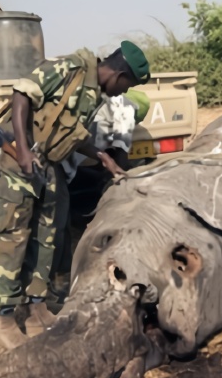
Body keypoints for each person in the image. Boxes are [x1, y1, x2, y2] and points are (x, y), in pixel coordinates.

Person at [0, 41, 150, 349]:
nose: (123, 93)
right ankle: (5, 318)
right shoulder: (69, 69)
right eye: (127, 85)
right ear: (119, 74)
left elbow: (71, 133)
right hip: (19, 164)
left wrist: (103, 157)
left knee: (47, 236)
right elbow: (22, 95)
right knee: (11, 237)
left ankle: (37, 308)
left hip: (47, 166)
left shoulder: (92, 93)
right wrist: (21, 149)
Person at [49, 90, 151, 296]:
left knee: (57, 221)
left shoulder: (108, 102)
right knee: (57, 223)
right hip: (59, 165)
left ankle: (55, 275)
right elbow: (121, 154)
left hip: (61, 160)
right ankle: (58, 280)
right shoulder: (126, 108)